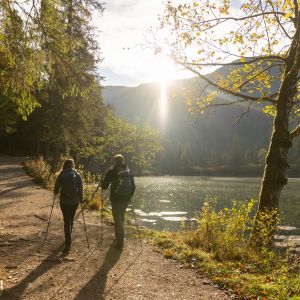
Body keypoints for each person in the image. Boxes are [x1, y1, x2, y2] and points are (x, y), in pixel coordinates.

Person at [101, 154, 135, 249]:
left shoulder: (111, 172)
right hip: (126, 198)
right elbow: (133, 186)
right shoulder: (129, 172)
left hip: (116, 198)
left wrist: (102, 181)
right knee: (121, 216)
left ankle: (120, 241)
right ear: (123, 161)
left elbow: (104, 186)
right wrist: (129, 196)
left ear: (115, 162)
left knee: (117, 218)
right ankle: (118, 236)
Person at [54, 159, 83, 252]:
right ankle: (68, 238)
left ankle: (68, 241)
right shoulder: (77, 175)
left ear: (65, 165)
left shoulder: (61, 174)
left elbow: (56, 189)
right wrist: (81, 198)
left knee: (66, 221)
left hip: (64, 201)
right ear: (72, 165)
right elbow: (80, 188)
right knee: (71, 218)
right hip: (75, 201)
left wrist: (57, 192)